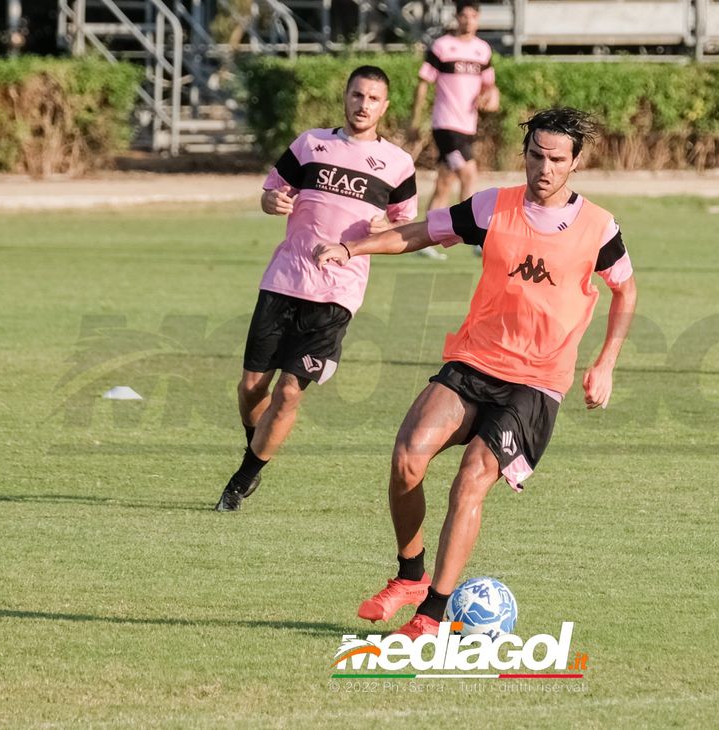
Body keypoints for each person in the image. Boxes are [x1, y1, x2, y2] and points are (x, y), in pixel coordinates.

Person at [313, 108, 637, 637]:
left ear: (576, 162)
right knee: (407, 457)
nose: (545, 169)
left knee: (470, 480)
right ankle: (410, 576)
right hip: (474, 360)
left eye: (557, 160)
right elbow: (421, 232)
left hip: (536, 383)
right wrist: (352, 247)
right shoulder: (492, 207)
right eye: (536, 156)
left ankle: (432, 614)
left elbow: (626, 290)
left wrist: (606, 363)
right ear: (524, 154)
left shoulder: (599, 227)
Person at [214, 65, 418, 512]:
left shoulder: (398, 163)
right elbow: (271, 193)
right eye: (357, 95)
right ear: (345, 97)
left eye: (373, 98)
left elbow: (403, 228)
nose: (363, 105)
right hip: (284, 280)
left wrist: (384, 228)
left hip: (336, 295)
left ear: (385, 106)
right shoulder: (310, 144)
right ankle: (256, 446)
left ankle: (241, 481)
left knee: (289, 391)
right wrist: (271, 201)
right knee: (251, 388)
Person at [411, 0, 499, 260]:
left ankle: (423, 240)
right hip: (446, 125)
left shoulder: (483, 50)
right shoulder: (442, 46)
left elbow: (490, 86)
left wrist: (491, 97)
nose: (468, 20)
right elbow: (423, 83)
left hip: (467, 125)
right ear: (457, 17)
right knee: (469, 174)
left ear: (478, 19)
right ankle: (475, 237)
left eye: (473, 16)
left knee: (444, 183)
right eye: (464, 15)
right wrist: (414, 121)